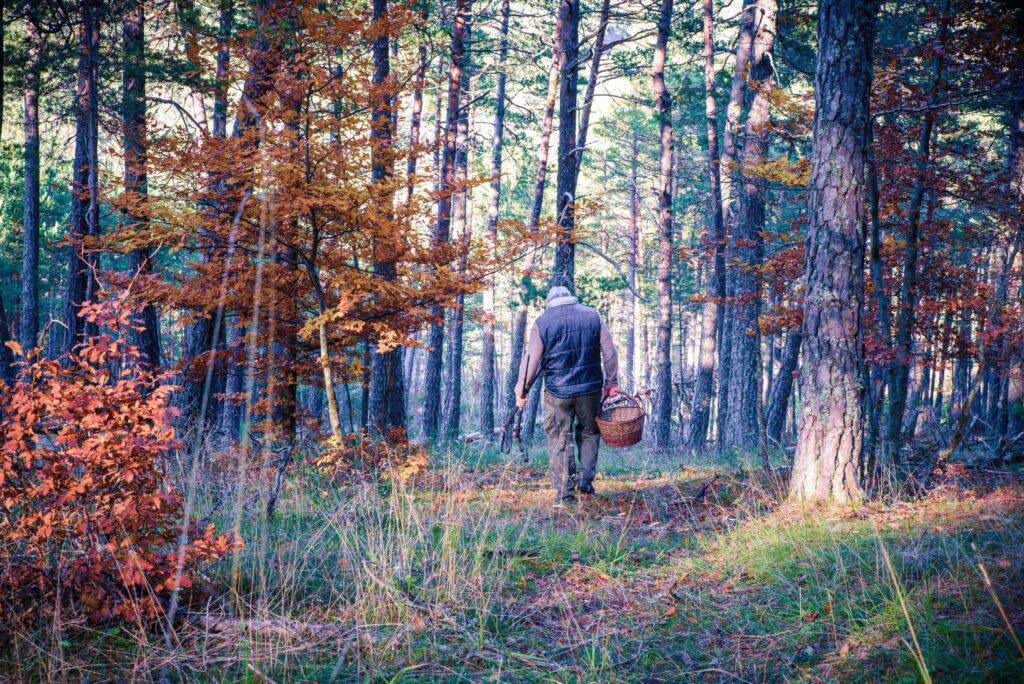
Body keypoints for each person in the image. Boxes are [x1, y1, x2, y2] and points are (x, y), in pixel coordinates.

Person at [514, 285, 620, 505]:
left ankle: (565, 492)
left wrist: (521, 390)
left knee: (560, 437)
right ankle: (585, 483)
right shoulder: (592, 316)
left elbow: (531, 360)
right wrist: (612, 383)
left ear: (549, 302)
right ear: (571, 298)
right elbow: (609, 353)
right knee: (590, 432)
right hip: (590, 389)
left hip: (557, 392)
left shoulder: (543, 322)